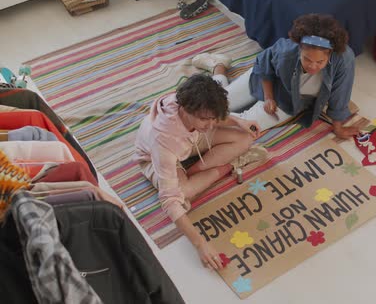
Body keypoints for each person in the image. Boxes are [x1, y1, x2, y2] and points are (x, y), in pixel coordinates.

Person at [134, 74, 267, 270]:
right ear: (186, 109)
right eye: (206, 119)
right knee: (182, 194)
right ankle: (228, 166)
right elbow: (169, 200)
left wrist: (239, 122)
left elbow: (212, 117)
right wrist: (200, 244)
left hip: (191, 139)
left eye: (213, 118)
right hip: (155, 158)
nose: (212, 124)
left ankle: (195, 170)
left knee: (245, 139)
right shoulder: (163, 142)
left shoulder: (194, 106)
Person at [192, 14, 361, 139]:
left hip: (289, 100)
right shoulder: (286, 51)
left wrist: (338, 128)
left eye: (320, 62)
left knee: (244, 127)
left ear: (330, 54)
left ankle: (218, 68)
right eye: (307, 59)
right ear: (299, 49)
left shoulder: (344, 59)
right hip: (264, 81)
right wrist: (268, 97)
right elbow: (264, 64)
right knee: (215, 104)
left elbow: (341, 93)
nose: (313, 66)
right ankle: (218, 67)